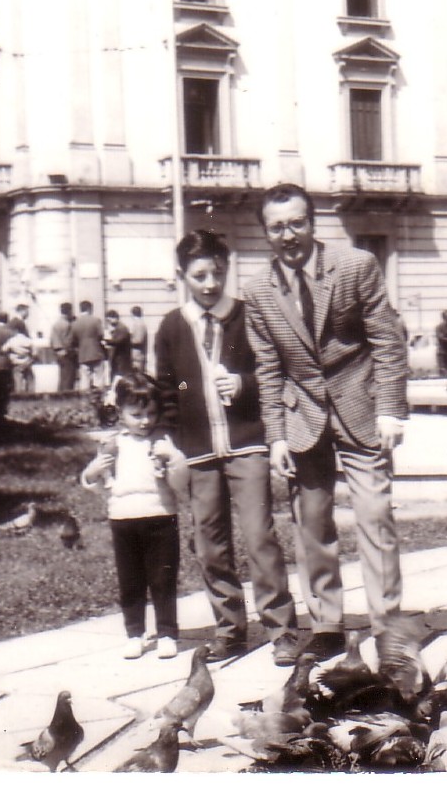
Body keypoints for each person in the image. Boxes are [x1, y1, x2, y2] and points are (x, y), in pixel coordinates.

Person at [242, 183, 410, 658]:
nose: (288, 235)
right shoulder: (257, 291)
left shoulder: (356, 265)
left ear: (312, 223)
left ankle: (388, 626)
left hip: (361, 406)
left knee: (375, 516)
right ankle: (327, 625)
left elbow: (388, 342)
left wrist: (390, 409)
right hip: (303, 417)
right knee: (311, 523)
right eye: (277, 227)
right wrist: (276, 437)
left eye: (297, 223)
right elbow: (268, 369)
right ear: (265, 233)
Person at [154, 229, 301, 666]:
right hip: (198, 452)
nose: (210, 283)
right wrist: (170, 434)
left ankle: (281, 630)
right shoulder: (172, 326)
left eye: (218, 273)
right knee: (210, 544)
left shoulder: (246, 317)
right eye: (199, 275)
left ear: (227, 270)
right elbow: (168, 387)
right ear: (182, 275)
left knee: (259, 536)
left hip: (247, 444)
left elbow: (273, 373)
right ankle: (229, 629)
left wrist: (243, 384)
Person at [80, 373, 190, 660]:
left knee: (163, 580)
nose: (144, 421)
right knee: (130, 581)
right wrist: (92, 472)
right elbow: (102, 484)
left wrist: (174, 459)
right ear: (119, 412)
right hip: (123, 520)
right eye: (136, 415)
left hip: (160, 516)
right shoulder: (114, 444)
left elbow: (180, 484)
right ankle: (135, 634)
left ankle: (167, 633)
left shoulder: (163, 441)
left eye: (151, 413)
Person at [71, 301, 108, 391]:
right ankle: (98, 396)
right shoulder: (96, 320)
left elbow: (73, 339)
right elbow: (101, 335)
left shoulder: (75, 323)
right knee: (99, 378)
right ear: (90, 309)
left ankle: (85, 397)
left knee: (84, 379)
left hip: (83, 354)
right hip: (96, 352)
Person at [49, 301, 78, 392]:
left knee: (63, 377)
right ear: (69, 311)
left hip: (59, 353)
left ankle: (60, 394)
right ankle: (67, 394)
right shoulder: (68, 324)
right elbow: (70, 340)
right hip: (67, 354)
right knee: (69, 378)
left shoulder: (56, 324)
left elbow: (52, 340)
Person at [3, 320, 36, 394]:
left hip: (16, 364)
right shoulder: (28, 340)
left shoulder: (12, 340)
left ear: (16, 330)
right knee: (30, 379)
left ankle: (19, 394)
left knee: (18, 380)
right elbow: (35, 353)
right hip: (27, 362)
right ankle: (31, 394)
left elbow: (4, 349)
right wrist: (31, 359)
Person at [105, 309, 133, 382]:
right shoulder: (118, 328)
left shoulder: (121, 328)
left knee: (120, 376)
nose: (109, 322)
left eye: (109, 320)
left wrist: (106, 341)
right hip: (118, 358)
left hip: (121, 358)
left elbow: (118, 341)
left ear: (115, 318)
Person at [128, 305, 149, 374]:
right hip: (137, 356)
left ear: (132, 314)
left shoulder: (138, 324)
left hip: (137, 356)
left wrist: (126, 341)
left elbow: (138, 340)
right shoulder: (139, 324)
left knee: (138, 375)